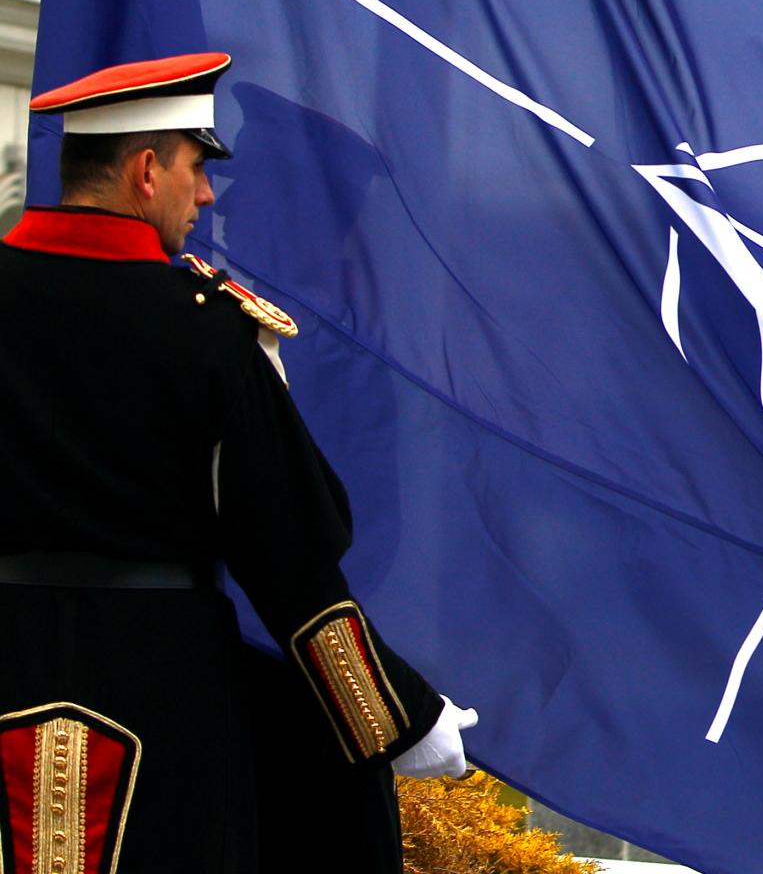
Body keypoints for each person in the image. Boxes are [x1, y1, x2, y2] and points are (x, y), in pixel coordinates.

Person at [0, 52, 475, 873]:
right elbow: (288, 560)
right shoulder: (208, 331)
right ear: (147, 171)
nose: (208, 193)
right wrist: (396, 717)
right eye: (196, 168)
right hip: (160, 693)